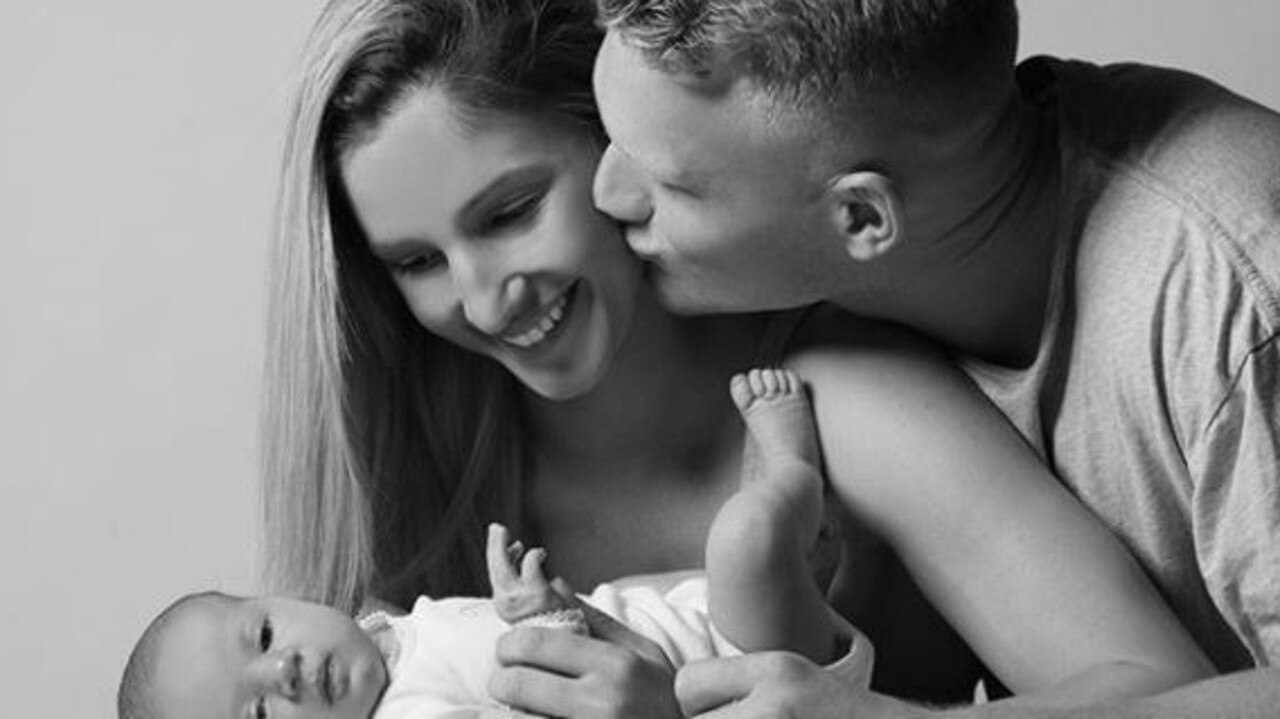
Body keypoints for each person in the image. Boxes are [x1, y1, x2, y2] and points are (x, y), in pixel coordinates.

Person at [264, 0, 1213, 716]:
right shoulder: (412, 467)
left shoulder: (841, 400)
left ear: (621, 148)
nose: (480, 299)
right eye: (416, 262)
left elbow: (1159, 685)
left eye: (510, 213)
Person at [589, 0, 1280, 717]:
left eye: (670, 183)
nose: (605, 193)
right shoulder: (877, 305)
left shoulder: (1237, 292)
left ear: (860, 216)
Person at [118, 375, 870, 719]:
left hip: (686, 628)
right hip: (737, 678)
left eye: (264, 632)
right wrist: (549, 627)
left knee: (733, 552)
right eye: (255, 716)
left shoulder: (398, 635)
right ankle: (791, 473)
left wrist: (535, 606)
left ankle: (793, 550)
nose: (281, 669)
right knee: (744, 538)